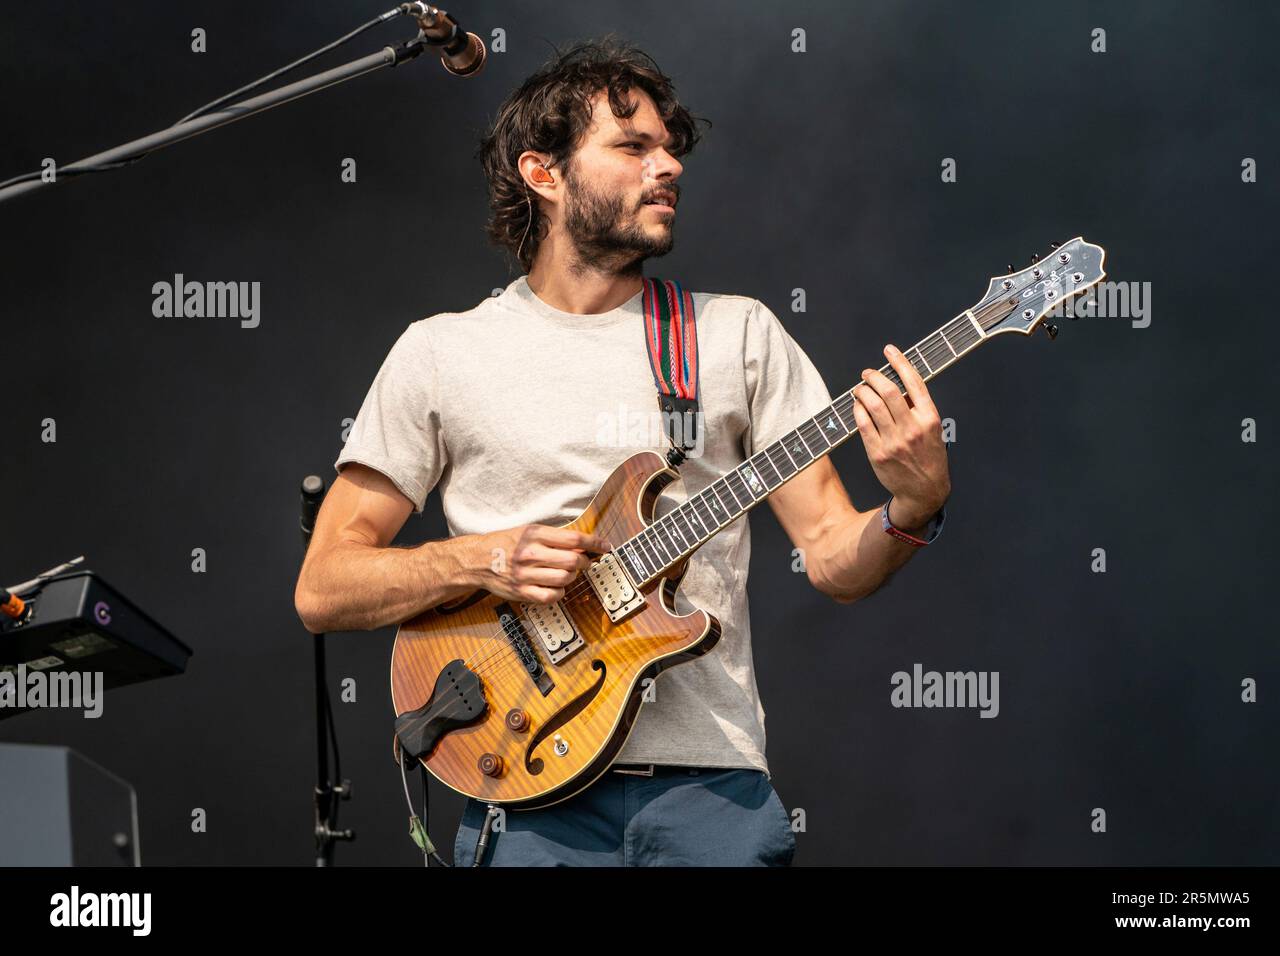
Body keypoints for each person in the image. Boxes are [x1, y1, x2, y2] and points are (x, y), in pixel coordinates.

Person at [294, 37, 951, 866]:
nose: (667, 167)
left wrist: (912, 507)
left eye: (671, 150)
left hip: (710, 796)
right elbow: (324, 586)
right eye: (633, 147)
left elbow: (831, 558)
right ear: (544, 174)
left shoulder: (734, 334)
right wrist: (483, 558)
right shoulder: (440, 352)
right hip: (526, 793)